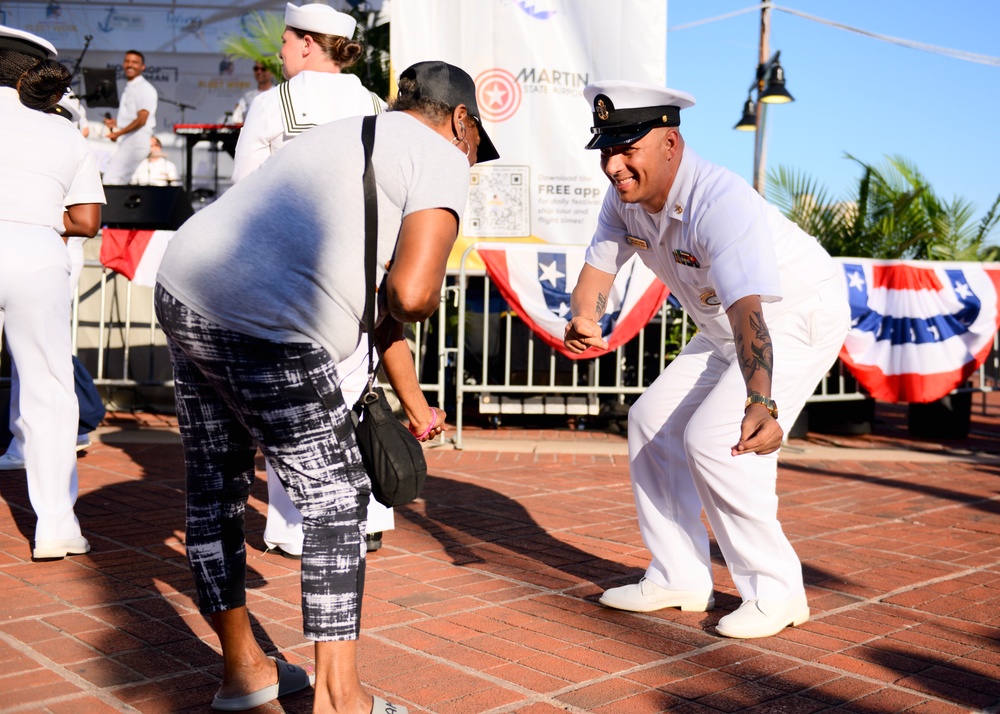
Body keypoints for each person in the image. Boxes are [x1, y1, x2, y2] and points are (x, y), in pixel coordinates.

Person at [154, 60, 498, 712]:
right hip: (265, 324)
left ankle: (243, 674)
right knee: (337, 501)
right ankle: (341, 701)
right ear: (461, 120)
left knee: (215, 488)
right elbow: (413, 294)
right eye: (476, 145)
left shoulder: (346, 134)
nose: (472, 161)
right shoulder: (441, 153)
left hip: (183, 286)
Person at [564, 80, 849, 639]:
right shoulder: (625, 201)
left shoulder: (719, 202)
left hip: (790, 315)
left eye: (628, 148)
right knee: (651, 424)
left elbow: (750, 312)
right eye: (606, 149)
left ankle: (777, 590)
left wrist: (761, 401)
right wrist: (585, 317)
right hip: (723, 329)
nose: (614, 165)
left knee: (718, 438)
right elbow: (598, 270)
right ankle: (678, 576)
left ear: (670, 142)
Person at [232, 1, 443, 560]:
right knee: (356, 393)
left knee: (293, 398)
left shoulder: (273, 103)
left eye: (284, 43)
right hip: (366, 272)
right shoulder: (377, 105)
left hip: (291, 271)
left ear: (306, 43)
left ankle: (298, 526)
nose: (279, 53)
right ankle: (367, 515)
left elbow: (242, 195)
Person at [0, 25, 106, 558]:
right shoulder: (64, 132)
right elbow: (86, 220)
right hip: (38, 253)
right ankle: (56, 528)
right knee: (48, 390)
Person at [101, 49, 157, 185]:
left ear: (142, 67)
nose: (130, 65)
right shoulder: (130, 87)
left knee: (111, 180)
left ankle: (112, 207)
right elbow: (132, 117)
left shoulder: (144, 88)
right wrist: (117, 124)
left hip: (136, 141)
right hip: (128, 140)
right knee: (115, 180)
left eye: (135, 62)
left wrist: (118, 133)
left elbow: (142, 119)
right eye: (127, 61)